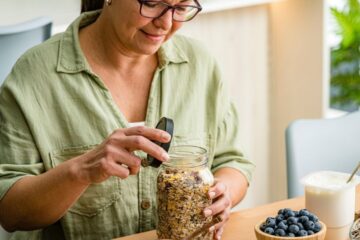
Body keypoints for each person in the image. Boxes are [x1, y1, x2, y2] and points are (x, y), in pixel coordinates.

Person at [0, 0, 255, 239]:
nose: (166, 24)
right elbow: (9, 212)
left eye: (181, 7)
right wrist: (81, 171)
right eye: (152, 3)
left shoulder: (200, 65)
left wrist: (225, 192)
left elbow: (233, 162)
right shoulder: (34, 77)